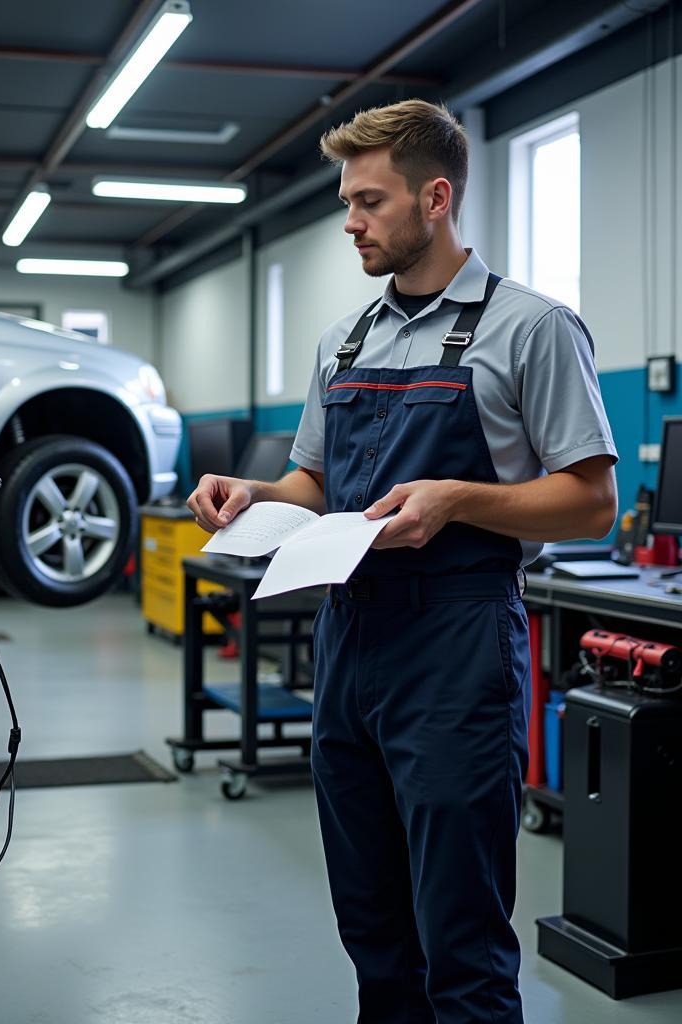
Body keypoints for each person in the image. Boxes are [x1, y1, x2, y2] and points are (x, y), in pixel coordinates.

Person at [187, 99, 618, 1023]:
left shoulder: (532, 329)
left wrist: (458, 500)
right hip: (350, 642)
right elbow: (315, 485)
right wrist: (251, 495)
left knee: (460, 943)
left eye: (369, 202)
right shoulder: (344, 342)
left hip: (457, 643)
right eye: (347, 201)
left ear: (436, 197)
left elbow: (591, 500)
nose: (350, 222)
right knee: (374, 930)